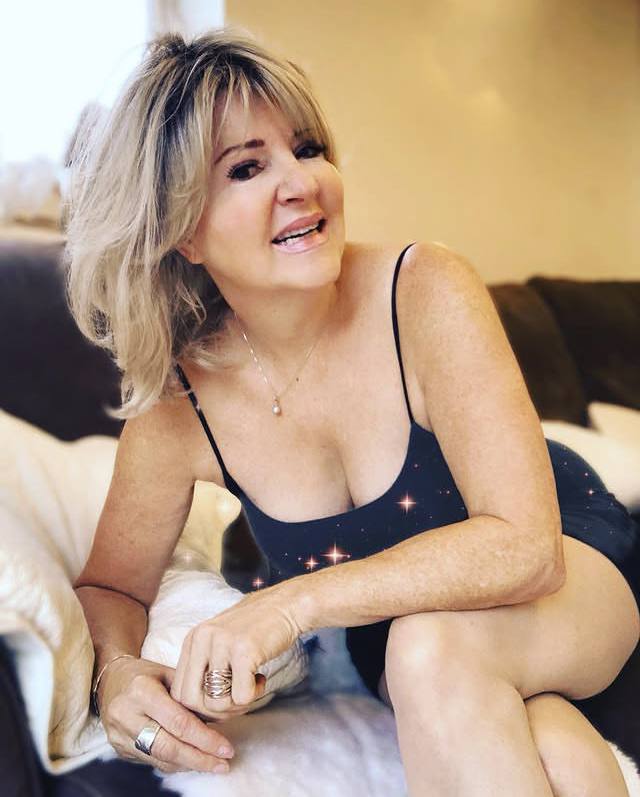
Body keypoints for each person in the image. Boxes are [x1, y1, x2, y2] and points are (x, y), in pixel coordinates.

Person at [65, 26, 640, 794]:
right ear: (183, 231)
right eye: (247, 167)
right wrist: (118, 675)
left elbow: (526, 549)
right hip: (399, 644)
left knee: (430, 648)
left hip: (569, 567)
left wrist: (289, 605)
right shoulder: (181, 405)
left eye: (307, 149)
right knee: (562, 760)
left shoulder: (424, 288)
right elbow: (111, 587)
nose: (301, 181)